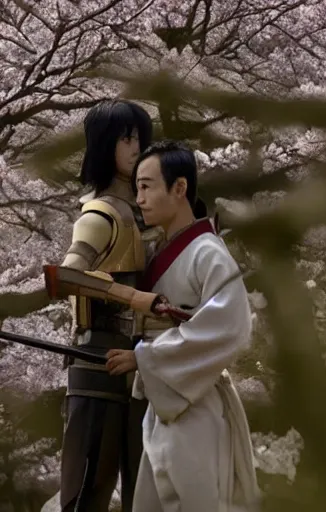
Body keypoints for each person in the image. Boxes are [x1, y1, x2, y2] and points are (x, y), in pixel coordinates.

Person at [105, 140, 261, 511]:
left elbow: (231, 326)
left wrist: (144, 357)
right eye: (137, 187)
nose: (139, 198)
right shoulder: (163, 250)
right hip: (167, 400)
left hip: (197, 401)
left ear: (179, 188)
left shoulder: (207, 252)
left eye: (147, 186)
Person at [59, 99, 160, 512]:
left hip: (139, 363)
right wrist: (132, 297)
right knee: (89, 488)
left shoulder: (144, 213)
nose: (135, 146)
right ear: (105, 144)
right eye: (125, 138)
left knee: (144, 487)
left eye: (139, 137)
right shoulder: (99, 214)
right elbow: (68, 274)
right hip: (96, 359)